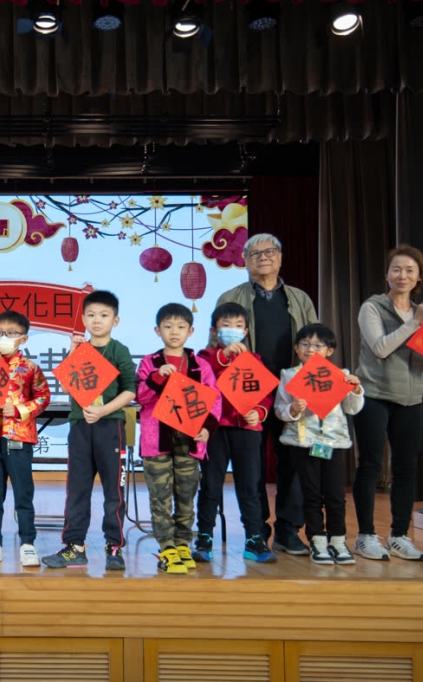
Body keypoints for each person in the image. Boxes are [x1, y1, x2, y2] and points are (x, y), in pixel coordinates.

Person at [216, 233, 318, 556]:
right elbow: (216, 344)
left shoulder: (300, 299)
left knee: (293, 463)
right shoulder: (230, 296)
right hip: (248, 393)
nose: (263, 257)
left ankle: (289, 530)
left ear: (281, 257)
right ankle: (256, 530)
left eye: (270, 251)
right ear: (245, 260)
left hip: (292, 393)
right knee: (252, 466)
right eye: (255, 253)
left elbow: (315, 343)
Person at [352, 246, 423, 562]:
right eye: (396, 269)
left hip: (411, 398)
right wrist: (414, 322)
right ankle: (365, 536)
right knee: (370, 464)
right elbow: (380, 348)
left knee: (406, 468)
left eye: (409, 270)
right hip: (374, 395)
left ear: (419, 277)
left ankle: (399, 536)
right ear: (387, 274)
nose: (402, 275)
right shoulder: (373, 307)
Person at [42, 290, 137, 571]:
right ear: (83, 319)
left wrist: (104, 410)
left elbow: (130, 390)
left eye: (104, 315)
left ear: (115, 321)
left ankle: (114, 546)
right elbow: (66, 385)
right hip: (80, 426)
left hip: (110, 426)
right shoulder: (80, 349)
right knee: (77, 489)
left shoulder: (118, 350)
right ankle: (75, 546)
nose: (97, 320)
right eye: (91, 315)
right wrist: (73, 353)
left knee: (114, 491)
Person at [135, 303, 220, 574]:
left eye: (181, 327)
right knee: (160, 497)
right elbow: (141, 397)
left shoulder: (200, 365)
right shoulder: (150, 362)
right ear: (157, 330)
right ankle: (166, 547)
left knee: (186, 495)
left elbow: (214, 399)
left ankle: (183, 543)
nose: (174, 332)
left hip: (190, 442)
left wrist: (208, 427)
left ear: (190, 331)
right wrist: (156, 378)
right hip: (157, 443)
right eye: (168, 326)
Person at [274, 324, 364, 565]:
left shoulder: (339, 374)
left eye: (317, 345)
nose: (310, 349)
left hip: (333, 443)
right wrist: (292, 409)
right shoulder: (289, 375)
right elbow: (279, 409)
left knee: (336, 495)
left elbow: (352, 409)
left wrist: (356, 389)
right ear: (296, 348)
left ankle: (338, 540)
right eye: (304, 344)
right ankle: (317, 540)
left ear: (329, 350)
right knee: (311, 494)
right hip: (303, 443)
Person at [196, 302, 277, 564]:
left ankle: (254, 538)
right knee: (211, 484)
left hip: (247, 429)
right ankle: (204, 537)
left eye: (238, 326)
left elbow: (265, 395)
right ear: (214, 330)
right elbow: (203, 379)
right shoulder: (206, 356)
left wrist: (260, 412)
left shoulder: (254, 360)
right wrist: (224, 356)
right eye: (226, 325)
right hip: (215, 429)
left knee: (250, 485)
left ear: (246, 332)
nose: (233, 329)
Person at [0, 311, 52, 568]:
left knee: (23, 493)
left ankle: (27, 543)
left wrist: (19, 410)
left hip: (18, 435)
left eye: (10, 333)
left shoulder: (30, 368)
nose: (3, 337)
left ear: (24, 338)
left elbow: (43, 397)